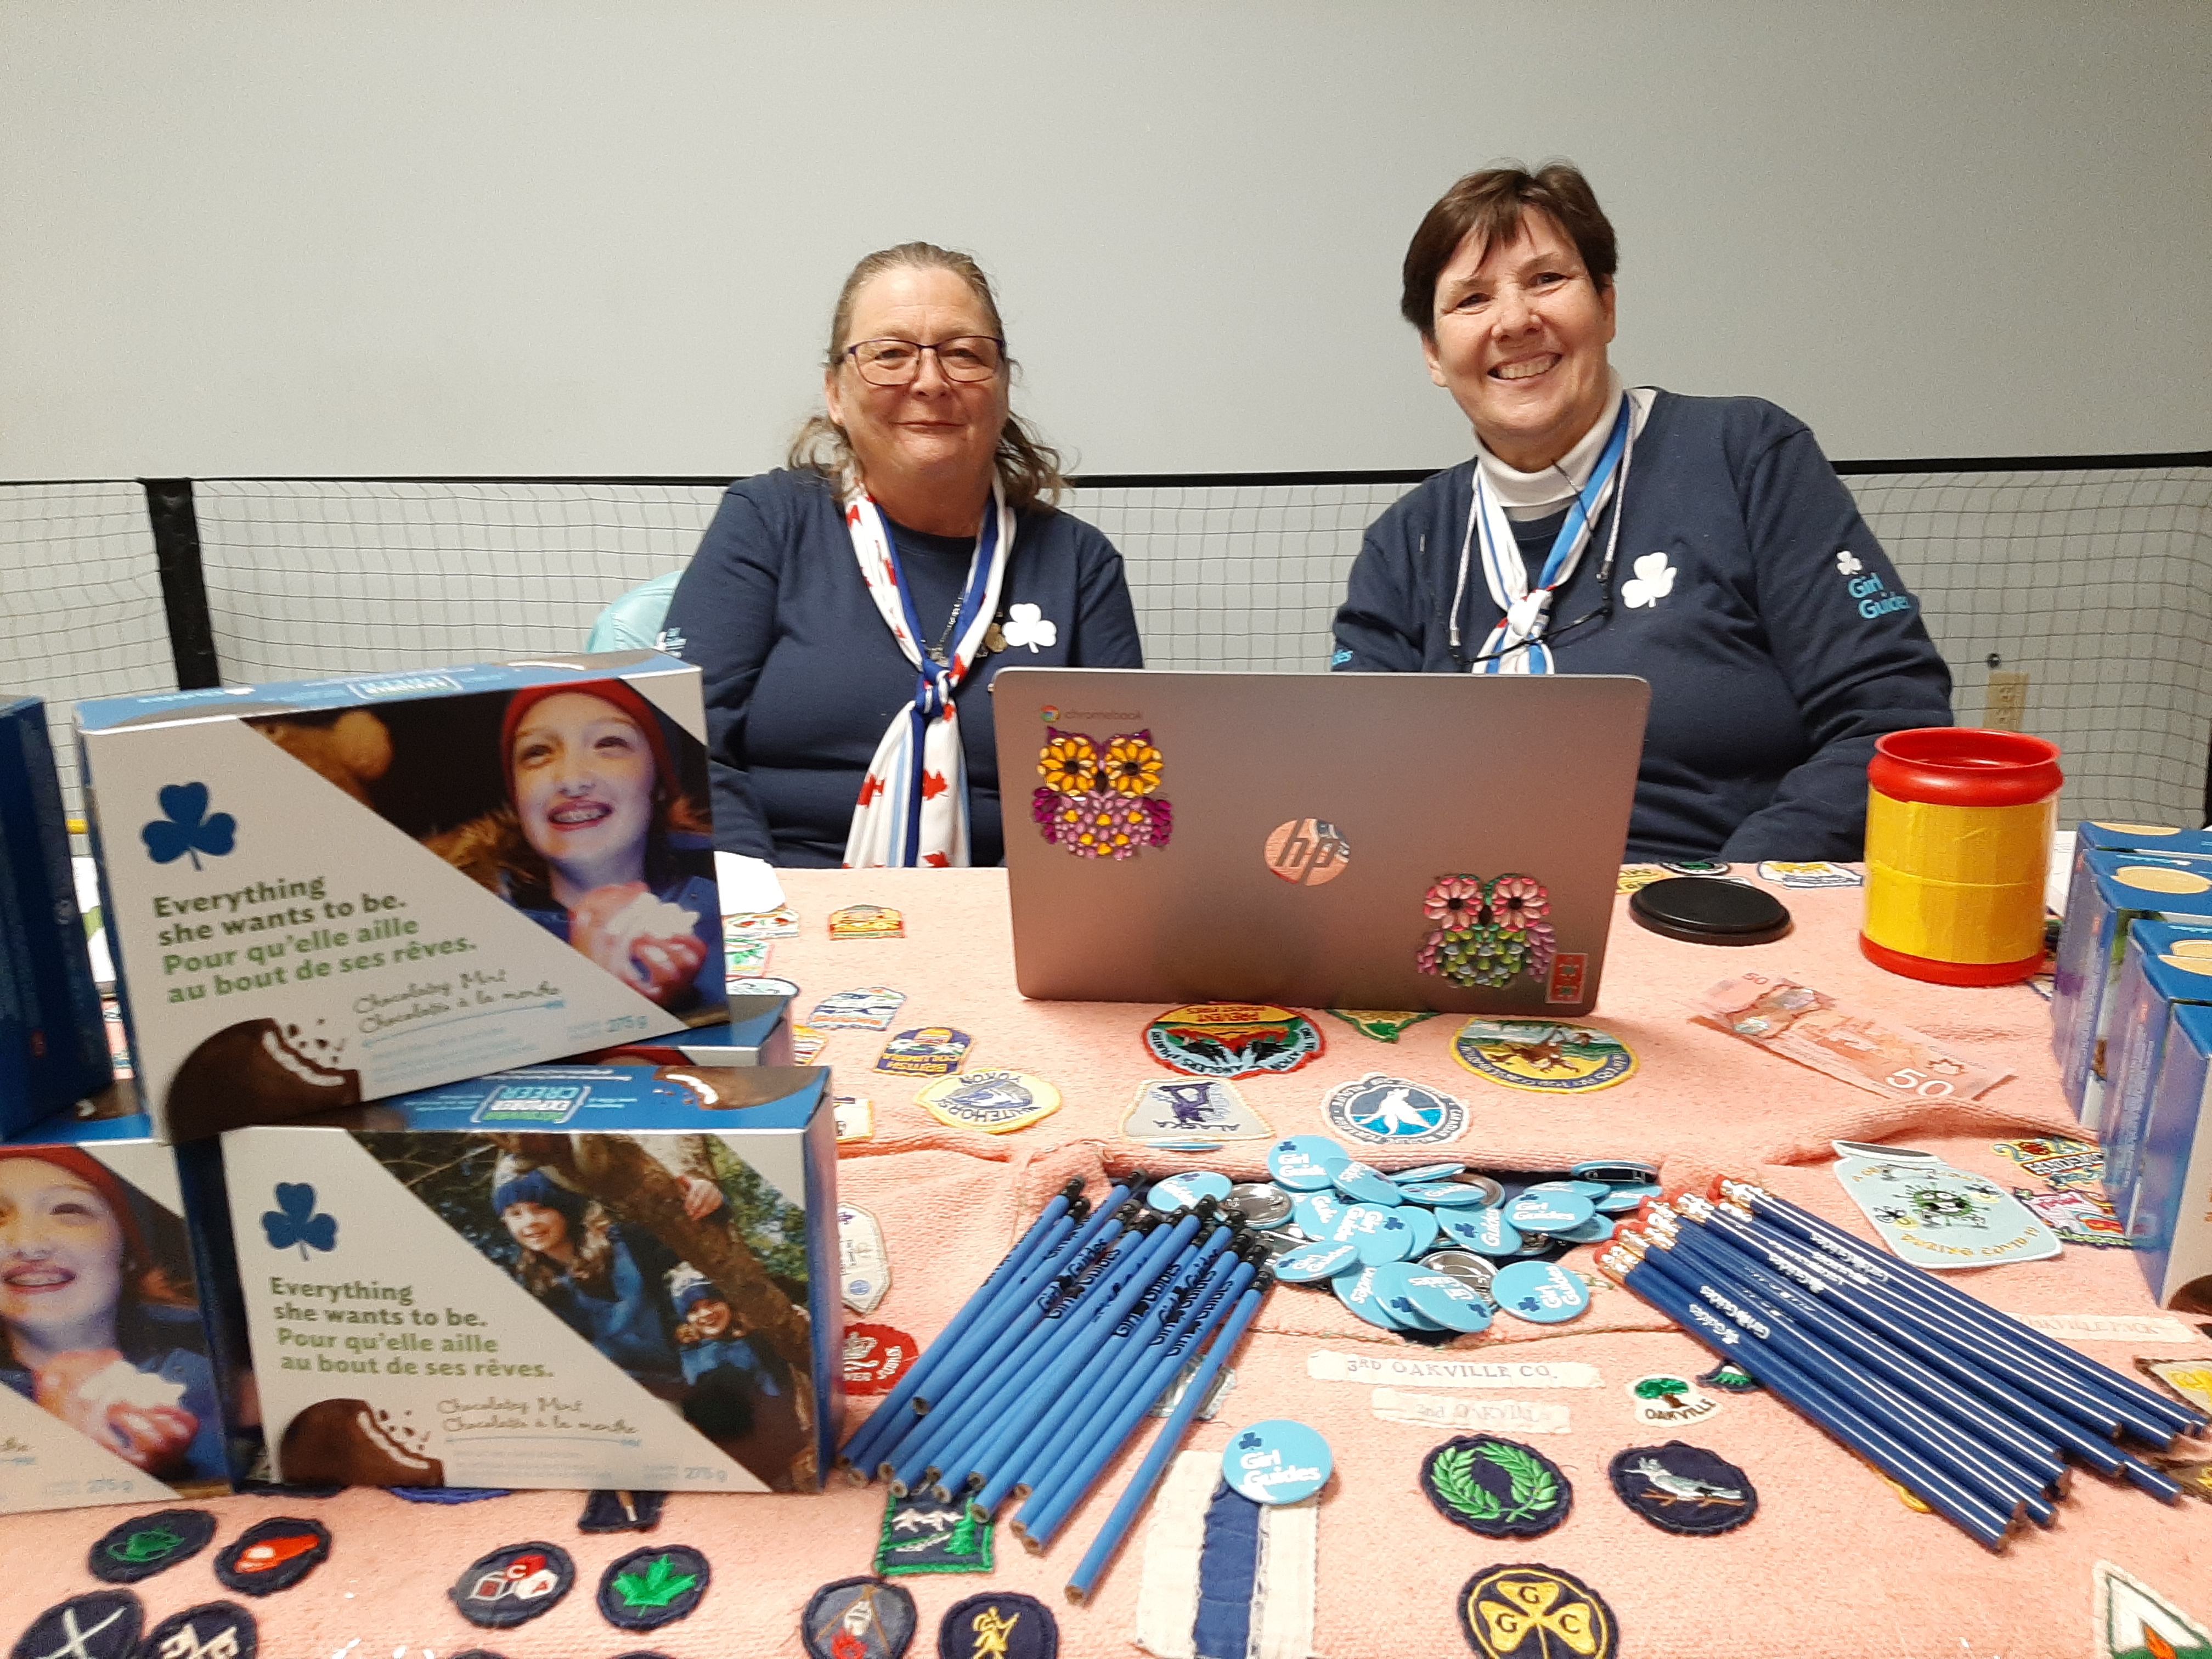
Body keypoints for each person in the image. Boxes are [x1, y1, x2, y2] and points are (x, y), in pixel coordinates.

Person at [1332, 164, 1954, 860]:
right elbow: (1353, 780)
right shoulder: (1408, 542)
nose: (1514, 321)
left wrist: (1728, 891)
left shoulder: (1744, 456)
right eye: (1472, 299)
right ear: (1434, 355)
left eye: (1546, 280)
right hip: (1472, 928)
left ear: (1607, 306)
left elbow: (1890, 718)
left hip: (1722, 918)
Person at [664, 242, 1144, 868]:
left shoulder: (1080, 565)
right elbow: (683, 748)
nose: (928, 381)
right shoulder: (767, 522)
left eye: (963, 354)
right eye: (890, 354)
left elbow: (1110, 802)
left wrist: (992, 925)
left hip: (1003, 916)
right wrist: (763, 904)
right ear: (836, 393)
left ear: (1001, 388)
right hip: (785, 903)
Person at [432, 681, 720, 1008]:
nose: (571, 780)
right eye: (538, 753)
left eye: (608, 743)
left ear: (660, 785)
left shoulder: (736, 916)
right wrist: (589, 1002)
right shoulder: (460, 946)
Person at [0, 1147, 225, 1487]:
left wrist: (179, 1477)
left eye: (68, 1210)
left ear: (129, 1255)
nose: (28, 1245)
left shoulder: (224, 1393)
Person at [492, 1156, 725, 1398]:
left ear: (565, 1208)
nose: (529, 1223)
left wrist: (710, 1199)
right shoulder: (524, 1286)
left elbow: (696, 1232)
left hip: (674, 1390)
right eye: (515, 1214)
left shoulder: (627, 1246)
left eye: (541, 1208)